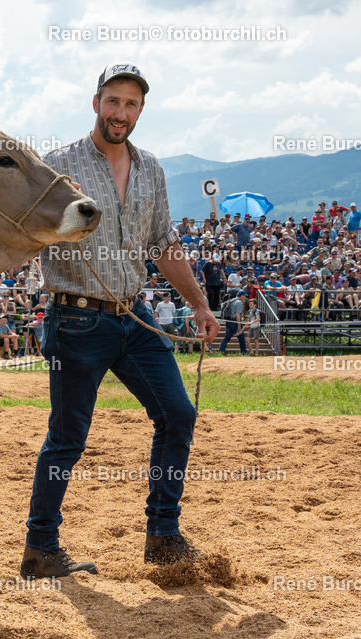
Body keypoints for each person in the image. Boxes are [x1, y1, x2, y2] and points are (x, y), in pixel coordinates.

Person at [22, 63, 219, 580]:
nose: (121, 113)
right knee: (67, 438)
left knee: (177, 415)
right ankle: (41, 547)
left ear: (140, 111)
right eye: (113, 101)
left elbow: (164, 243)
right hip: (75, 319)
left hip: (137, 317)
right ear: (95, 103)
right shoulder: (57, 165)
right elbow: (26, 230)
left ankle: (163, 535)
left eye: (131, 104)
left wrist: (198, 302)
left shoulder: (151, 168)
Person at [217, 290, 248, 355]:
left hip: (229, 321)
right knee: (241, 338)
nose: (245, 297)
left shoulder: (232, 300)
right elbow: (238, 314)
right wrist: (239, 326)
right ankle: (244, 351)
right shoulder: (239, 302)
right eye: (244, 296)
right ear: (241, 296)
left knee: (227, 337)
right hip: (235, 322)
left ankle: (220, 351)